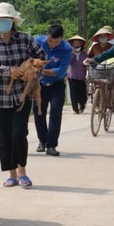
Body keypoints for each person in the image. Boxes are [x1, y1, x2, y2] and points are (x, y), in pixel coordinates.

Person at [0, 2, 46, 188]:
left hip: (22, 95)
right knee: (4, 136)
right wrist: (6, 71)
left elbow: (41, 59)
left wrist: (33, 75)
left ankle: (22, 171)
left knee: (19, 133)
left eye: (4, 19)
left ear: (12, 21)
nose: (1, 23)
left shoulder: (26, 40)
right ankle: (11, 174)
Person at [32, 24, 72, 156]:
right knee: (39, 113)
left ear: (62, 39)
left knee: (55, 113)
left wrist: (41, 70)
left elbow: (60, 72)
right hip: (39, 85)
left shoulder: (66, 48)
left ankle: (51, 145)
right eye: (50, 40)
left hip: (57, 85)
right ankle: (42, 141)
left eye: (56, 41)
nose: (53, 44)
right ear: (46, 34)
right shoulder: (37, 41)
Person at [67, 34, 88, 114]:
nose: (76, 45)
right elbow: (69, 62)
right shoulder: (70, 54)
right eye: (74, 44)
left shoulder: (85, 54)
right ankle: (75, 109)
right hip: (72, 76)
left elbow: (86, 65)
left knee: (82, 94)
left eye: (78, 44)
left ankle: (82, 105)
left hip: (82, 77)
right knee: (73, 93)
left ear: (81, 45)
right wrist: (71, 54)